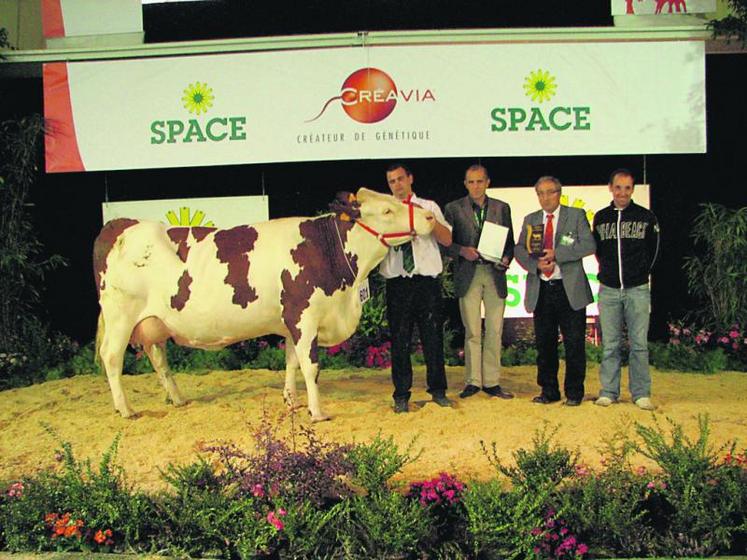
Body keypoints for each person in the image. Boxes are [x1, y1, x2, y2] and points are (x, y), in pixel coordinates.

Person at [379, 163, 454, 413]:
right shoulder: (385, 210)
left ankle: (438, 391)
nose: (397, 185)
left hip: (426, 282)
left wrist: (427, 219)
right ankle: (401, 395)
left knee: (433, 338)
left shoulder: (429, 206)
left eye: (401, 179)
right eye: (392, 181)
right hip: (398, 282)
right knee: (399, 341)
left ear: (410, 179)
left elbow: (446, 239)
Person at [514, 176, 596, 406]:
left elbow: (589, 245)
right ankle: (549, 391)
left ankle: (574, 393)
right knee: (545, 344)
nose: (545, 197)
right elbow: (520, 249)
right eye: (540, 193)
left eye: (550, 192)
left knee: (574, 343)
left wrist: (557, 254)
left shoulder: (576, 215)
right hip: (542, 288)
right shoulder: (530, 219)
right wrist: (535, 265)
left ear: (559, 193)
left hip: (569, 288)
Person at [444, 164, 515, 400]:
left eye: (480, 181)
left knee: (495, 329)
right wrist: (462, 251)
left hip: (494, 273)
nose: (476, 186)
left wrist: (506, 258)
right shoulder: (453, 208)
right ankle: (473, 381)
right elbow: (445, 243)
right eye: (471, 182)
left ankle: (492, 382)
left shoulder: (502, 208)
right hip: (468, 274)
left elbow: (510, 243)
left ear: (488, 182)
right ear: (465, 184)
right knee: (472, 331)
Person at [593, 168, 660, 411]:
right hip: (609, 289)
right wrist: (610, 273)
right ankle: (609, 392)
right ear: (610, 188)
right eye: (618, 187)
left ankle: (641, 393)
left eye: (627, 188)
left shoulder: (646, 217)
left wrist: (641, 273)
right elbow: (599, 250)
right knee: (610, 344)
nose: (622, 192)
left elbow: (654, 249)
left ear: (633, 190)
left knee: (639, 344)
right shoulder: (601, 217)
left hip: (638, 289)